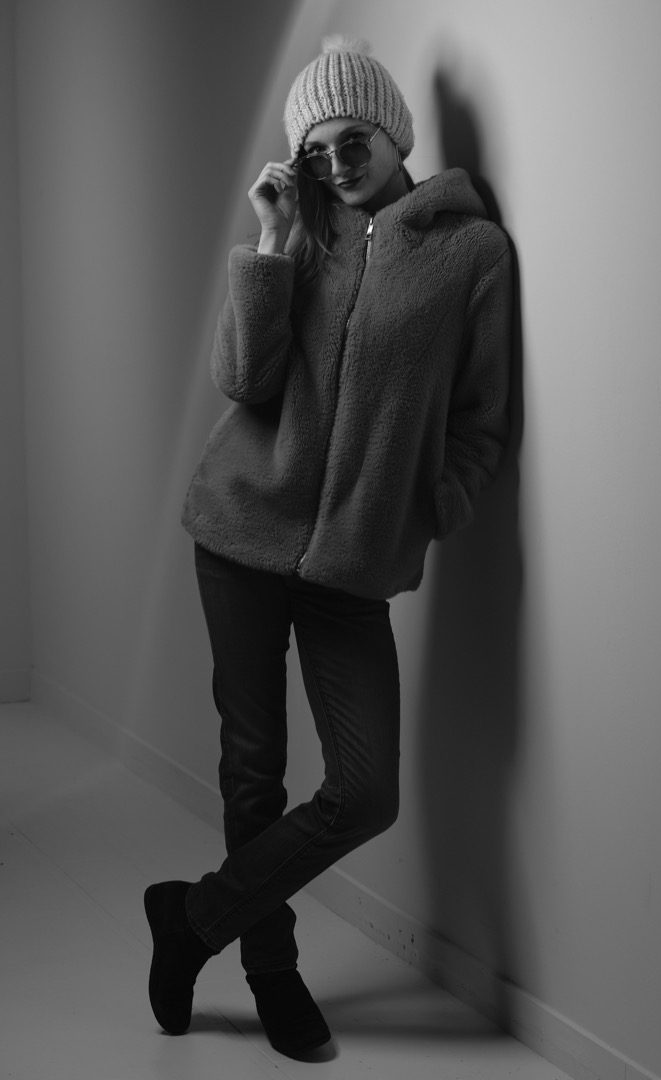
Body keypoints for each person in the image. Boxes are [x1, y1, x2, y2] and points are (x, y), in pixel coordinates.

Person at [144, 36, 512, 1058]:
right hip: (238, 534)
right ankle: (272, 972)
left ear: (393, 133)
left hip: (352, 565)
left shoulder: (470, 253)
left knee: (363, 790)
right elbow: (242, 381)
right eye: (318, 149)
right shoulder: (299, 232)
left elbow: (482, 421)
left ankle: (190, 919)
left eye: (355, 140)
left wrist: (423, 507)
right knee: (252, 772)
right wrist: (268, 241)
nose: (339, 162)